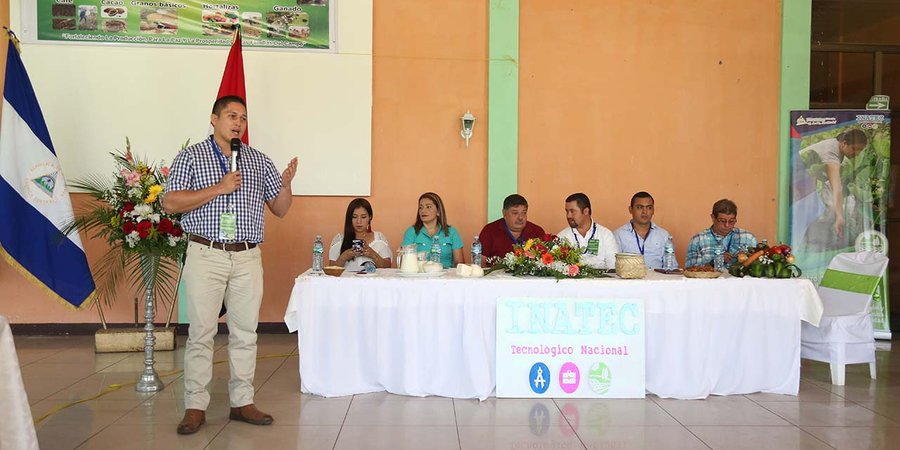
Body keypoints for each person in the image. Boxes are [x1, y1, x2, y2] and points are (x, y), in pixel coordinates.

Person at [163, 95, 298, 435]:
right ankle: (195, 406)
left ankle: (242, 401)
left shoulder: (257, 160)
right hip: (206, 253)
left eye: (243, 118)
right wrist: (219, 188)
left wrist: (286, 184)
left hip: (247, 256)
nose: (238, 122)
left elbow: (280, 209)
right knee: (201, 333)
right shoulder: (191, 156)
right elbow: (170, 202)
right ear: (214, 119)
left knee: (245, 333)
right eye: (232, 116)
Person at [797, 129, 868, 248]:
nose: (857, 153)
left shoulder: (835, 145)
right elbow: (836, 187)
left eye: (860, 151)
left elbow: (818, 174)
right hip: (795, 178)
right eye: (855, 149)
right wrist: (840, 215)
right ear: (844, 143)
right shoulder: (831, 154)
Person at [685, 199, 757, 267]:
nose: (727, 225)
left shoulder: (749, 238)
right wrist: (714, 261)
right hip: (710, 280)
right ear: (713, 218)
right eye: (722, 221)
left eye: (731, 221)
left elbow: (759, 266)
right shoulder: (698, 239)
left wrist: (748, 259)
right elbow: (690, 268)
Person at [401, 192, 463, 268]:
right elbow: (405, 262)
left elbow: (459, 263)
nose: (423, 210)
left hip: (445, 277)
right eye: (420, 207)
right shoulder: (411, 232)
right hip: (419, 277)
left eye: (428, 207)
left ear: (438, 212)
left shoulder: (452, 232)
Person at [556, 193, 618, 269]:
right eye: (567, 211)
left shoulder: (605, 235)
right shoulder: (562, 236)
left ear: (586, 211)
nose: (568, 216)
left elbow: (613, 267)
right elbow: (557, 266)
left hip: (600, 280)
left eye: (572, 211)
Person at [478, 194, 546, 262]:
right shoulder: (489, 231)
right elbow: (480, 261)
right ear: (504, 214)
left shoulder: (537, 231)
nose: (520, 217)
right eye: (515, 213)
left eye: (524, 213)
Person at [329, 198, 392, 271]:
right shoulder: (339, 240)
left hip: (372, 282)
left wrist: (372, 254)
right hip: (345, 282)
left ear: (370, 217)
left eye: (363, 217)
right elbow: (331, 270)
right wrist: (344, 256)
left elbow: (388, 267)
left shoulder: (379, 239)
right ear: (349, 218)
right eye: (354, 217)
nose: (359, 221)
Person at [613, 192, 672, 269]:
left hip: (658, 280)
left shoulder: (663, 235)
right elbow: (614, 266)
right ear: (630, 210)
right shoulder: (619, 235)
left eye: (649, 208)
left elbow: (671, 266)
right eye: (640, 207)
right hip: (629, 279)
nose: (645, 212)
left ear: (653, 210)